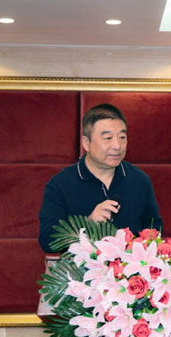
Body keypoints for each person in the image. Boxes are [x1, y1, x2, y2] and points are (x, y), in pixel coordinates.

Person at [38, 103, 163, 253]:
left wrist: (139, 247)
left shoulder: (140, 180)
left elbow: (154, 226)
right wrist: (88, 223)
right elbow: (47, 241)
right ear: (87, 143)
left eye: (122, 137)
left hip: (128, 267)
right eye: (108, 138)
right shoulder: (60, 185)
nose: (117, 145)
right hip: (81, 268)